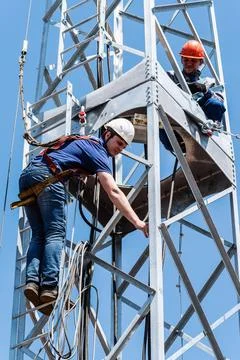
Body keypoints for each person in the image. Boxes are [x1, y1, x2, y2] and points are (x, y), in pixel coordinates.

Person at [19, 118, 148, 315]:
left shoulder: (82, 141)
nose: (120, 149)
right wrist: (138, 222)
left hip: (29, 176)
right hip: (47, 177)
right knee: (55, 235)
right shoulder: (98, 151)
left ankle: (32, 283)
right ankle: (49, 287)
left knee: (39, 234)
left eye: (124, 146)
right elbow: (113, 191)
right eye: (119, 143)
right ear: (107, 134)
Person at [160, 39, 226, 151]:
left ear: (200, 62)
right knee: (160, 122)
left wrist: (206, 92)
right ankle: (181, 143)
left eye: (193, 61)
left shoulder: (208, 82)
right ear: (181, 59)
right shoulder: (170, 76)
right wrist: (187, 87)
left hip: (198, 118)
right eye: (186, 59)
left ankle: (208, 129)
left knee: (215, 104)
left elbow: (219, 100)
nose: (189, 63)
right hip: (175, 115)